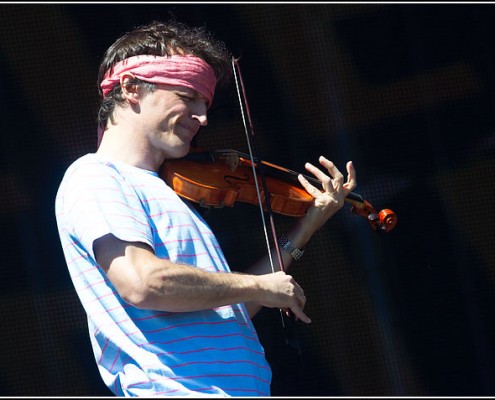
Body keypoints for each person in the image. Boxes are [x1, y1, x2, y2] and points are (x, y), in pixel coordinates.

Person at [55, 19, 357, 397]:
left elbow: (226, 311)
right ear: (131, 88)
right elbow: (143, 282)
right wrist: (258, 284)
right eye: (188, 95)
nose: (203, 117)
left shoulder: (166, 191)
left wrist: (305, 228)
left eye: (206, 102)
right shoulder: (96, 176)